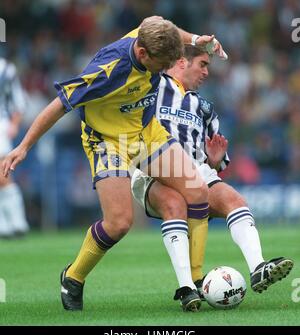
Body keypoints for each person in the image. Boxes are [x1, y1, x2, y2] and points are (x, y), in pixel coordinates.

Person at [2, 17, 227, 311]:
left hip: (146, 132)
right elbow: (59, 105)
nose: (166, 71)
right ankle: (73, 277)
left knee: (197, 191)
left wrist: (196, 39)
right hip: (108, 141)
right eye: (162, 64)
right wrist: (24, 146)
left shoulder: (148, 33)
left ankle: (194, 285)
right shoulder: (109, 71)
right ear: (143, 54)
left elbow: (158, 21)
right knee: (119, 223)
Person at [131, 45, 294, 308]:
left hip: (197, 170)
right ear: (182, 62)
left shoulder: (205, 108)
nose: (207, 72)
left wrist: (214, 161)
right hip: (153, 168)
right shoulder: (153, 84)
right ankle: (187, 287)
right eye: (203, 64)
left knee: (235, 201)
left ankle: (258, 268)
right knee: (175, 204)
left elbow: (212, 164)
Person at [0, 57, 29, 238]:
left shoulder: (5, 68)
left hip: (1, 122)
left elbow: (18, 99)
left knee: (2, 172)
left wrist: (14, 124)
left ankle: (18, 221)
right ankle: (6, 224)